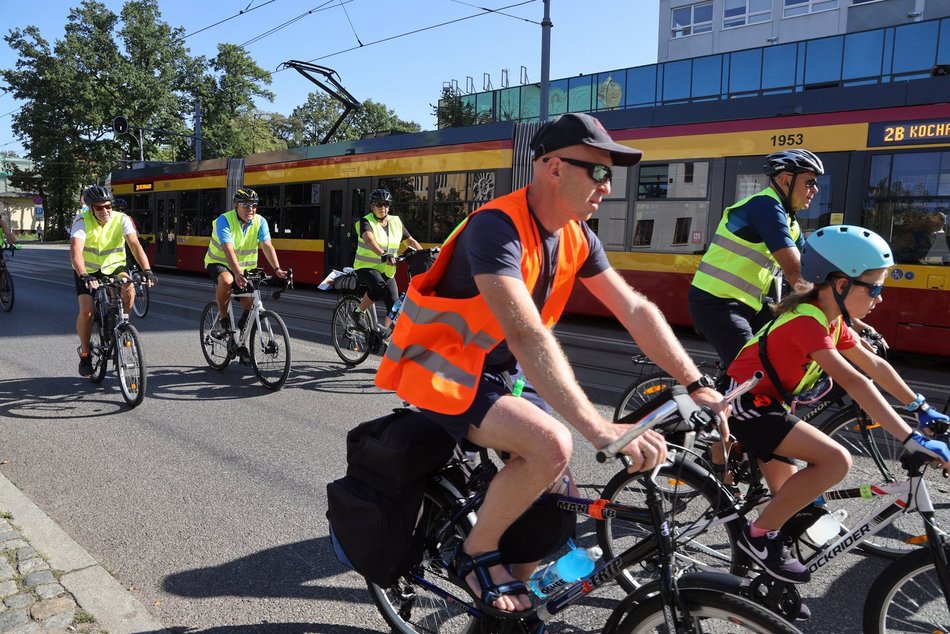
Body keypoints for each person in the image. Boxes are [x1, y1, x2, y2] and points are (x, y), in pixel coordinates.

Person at [376, 112, 728, 614]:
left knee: (554, 500)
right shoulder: (496, 228)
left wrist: (693, 381)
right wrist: (598, 427)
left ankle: (509, 607)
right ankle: (474, 554)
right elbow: (525, 333)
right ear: (553, 168)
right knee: (550, 445)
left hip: (498, 375)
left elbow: (633, 308)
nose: (608, 187)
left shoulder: (578, 235)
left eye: (612, 174)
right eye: (599, 172)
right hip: (444, 369)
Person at [726, 225, 950, 584]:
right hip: (745, 405)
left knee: (791, 506)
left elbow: (874, 364)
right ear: (842, 285)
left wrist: (921, 406)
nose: (880, 298)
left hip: (772, 404)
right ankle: (755, 538)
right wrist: (910, 438)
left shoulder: (831, 320)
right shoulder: (806, 322)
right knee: (835, 461)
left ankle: (767, 590)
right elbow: (854, 380)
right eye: (875, 287)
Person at [689, 149, 823, 368]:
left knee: (786, 354)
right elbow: (796, 273)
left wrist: (849, 318)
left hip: (751, 305)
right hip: (717, 303)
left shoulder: (791, 223)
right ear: (786, 181)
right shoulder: (764, 206)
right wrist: (833, 316)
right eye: (810, 182)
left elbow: (811, 271)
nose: (815, 189)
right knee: (754, 371)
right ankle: (716, 400)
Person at [70, 185, 157, 377]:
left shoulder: (122, 219)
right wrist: (84, 274)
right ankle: (85, 354)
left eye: (108, 206)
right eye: (99, 207)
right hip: (88, 270)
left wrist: (147, 270)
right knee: (87, 311)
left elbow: (134, 245)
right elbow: (76, 251)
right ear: (91, 208)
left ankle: (124, 323)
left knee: (129, 286)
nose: (105, 211)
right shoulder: (81, 221)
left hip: (115, 266)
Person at [204, 188, 287, 339]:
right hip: (218, 262)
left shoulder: (260, 221)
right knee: (226, 280)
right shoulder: (224, 220)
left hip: (244, 269)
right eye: (246, 205)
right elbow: (228, 248)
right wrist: (236, 273)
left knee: (251, 306)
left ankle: (241, 343)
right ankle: (224, 322)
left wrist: (277, 269)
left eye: (254, 205)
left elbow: (267, 245)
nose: (251, 209)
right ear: (236, 205)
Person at [352, 188, 422, 330]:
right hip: (365, 267)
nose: (383, 208)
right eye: (379, 204)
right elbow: (369, 239)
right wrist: (383, 254)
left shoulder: (395, 221)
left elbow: (410, 241)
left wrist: (425, 254)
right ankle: (359, 312)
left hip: (388, 270)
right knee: (379, 287)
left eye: (386, 204)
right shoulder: (366, 221)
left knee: (395, 310)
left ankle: (389, 340)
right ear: (372, 206)